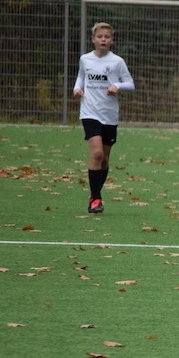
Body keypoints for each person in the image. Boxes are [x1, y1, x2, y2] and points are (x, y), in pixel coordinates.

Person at [73, 22, 134, 214]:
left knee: (105, 158)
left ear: (112, 40)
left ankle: (94, 193)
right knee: (97, 153)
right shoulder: (85, 59)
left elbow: (130, 83)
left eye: (107, 37)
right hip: (89, 112)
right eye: (100, 37)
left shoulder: (117, 62)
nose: (103, 40)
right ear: (93, 39)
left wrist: (118, 86)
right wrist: (77, 89)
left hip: (109, 115)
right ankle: (96, 198)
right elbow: (81, 77)